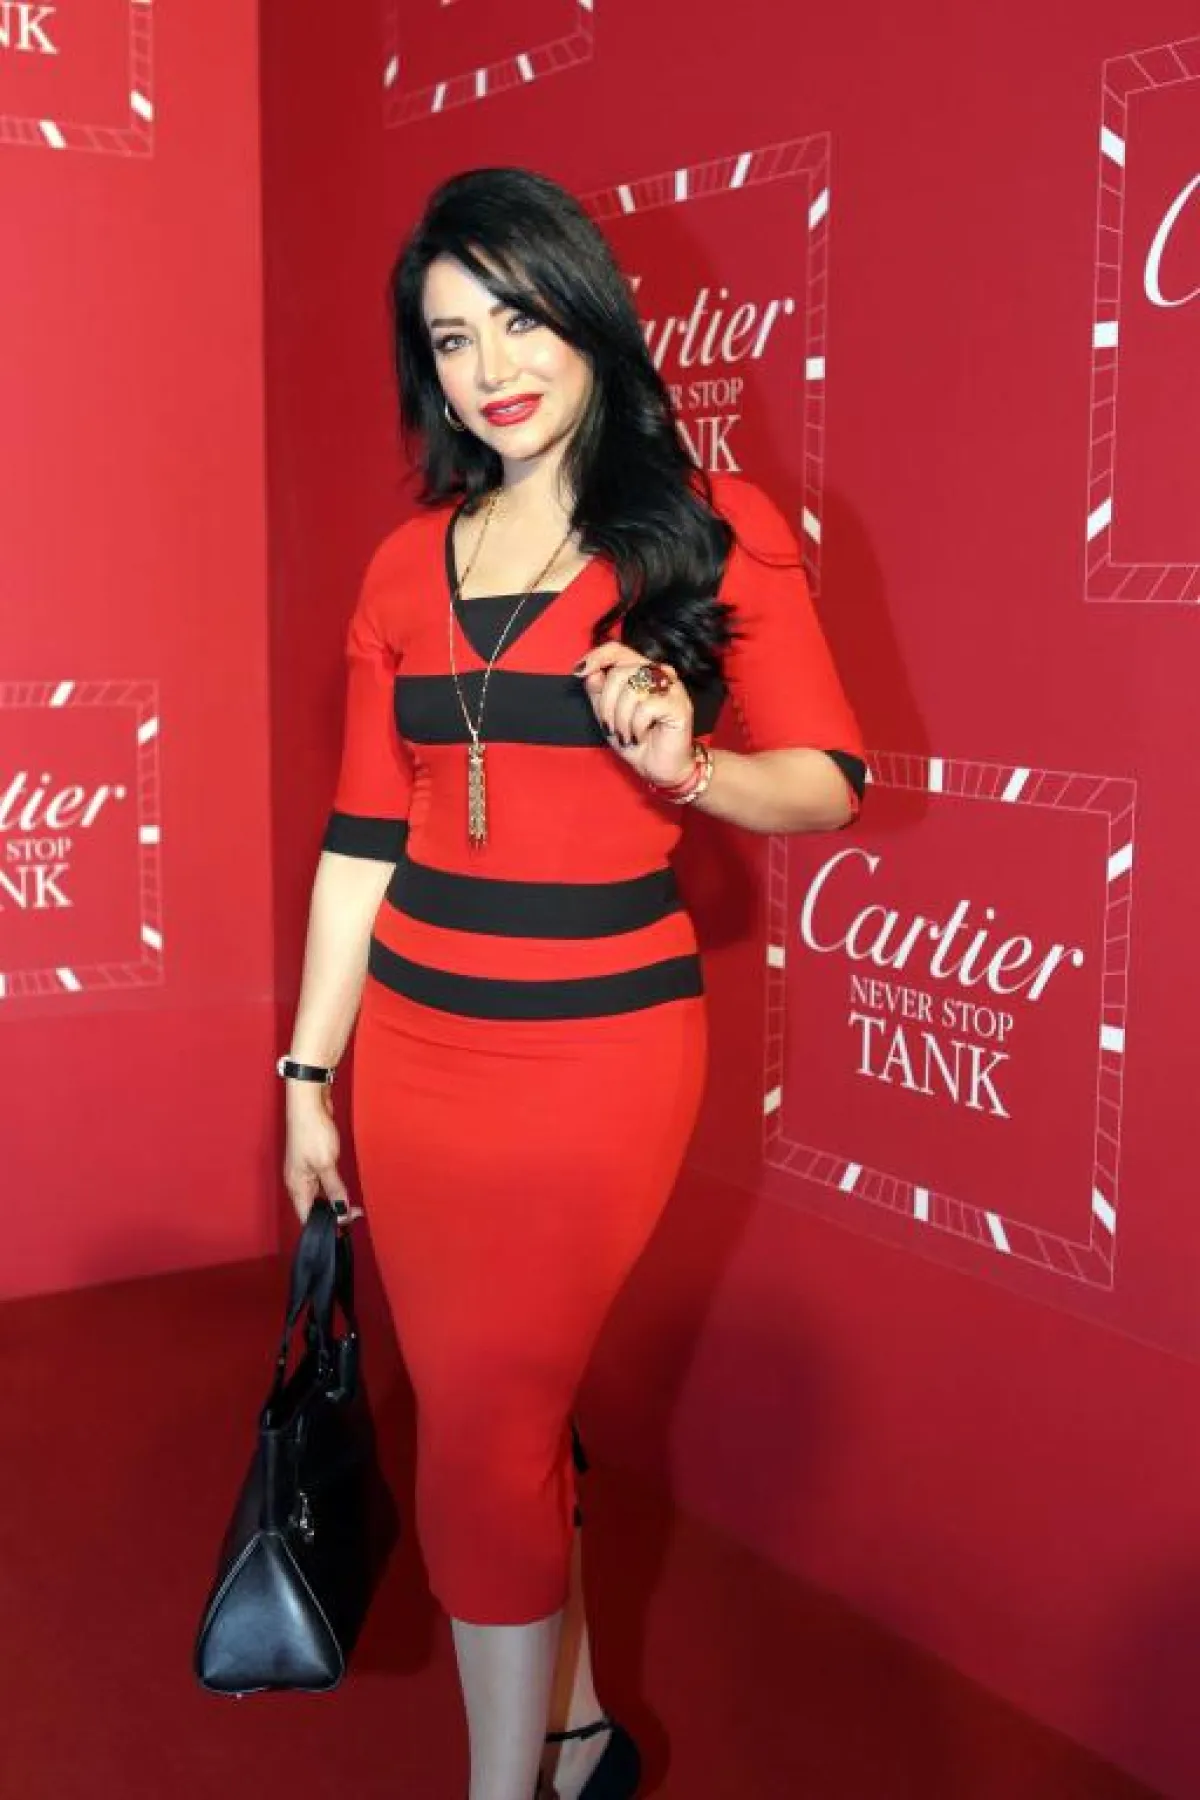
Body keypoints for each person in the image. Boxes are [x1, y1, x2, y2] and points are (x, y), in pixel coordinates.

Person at [280, 166, 865, 1800]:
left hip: (600, 1061)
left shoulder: (711, 527)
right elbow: (360, 838)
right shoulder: (406, 565)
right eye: (451, 338)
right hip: (416, 1050)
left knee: (481, 1430)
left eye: (520, 317)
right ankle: (583, 1736)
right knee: (500, 1415)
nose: (493, 367)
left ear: (590, 313)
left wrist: (692, 770)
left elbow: (826, 782)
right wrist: (308, 1075)